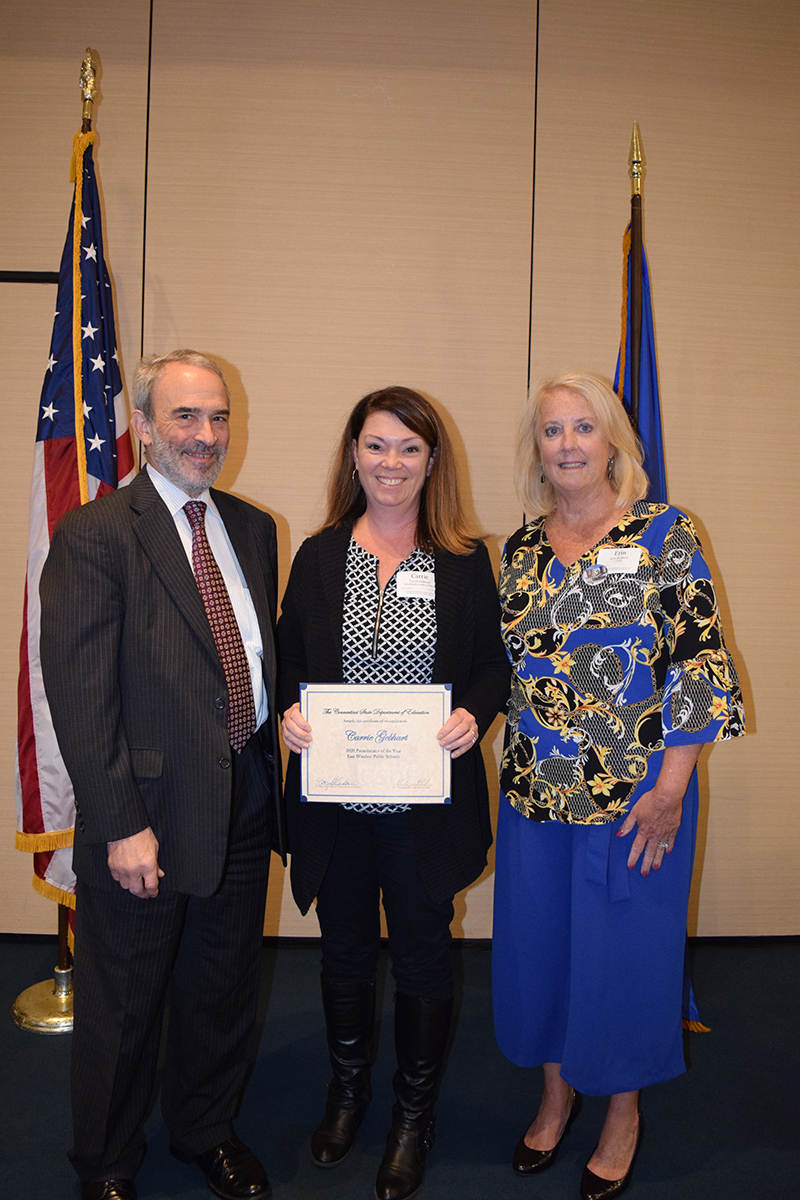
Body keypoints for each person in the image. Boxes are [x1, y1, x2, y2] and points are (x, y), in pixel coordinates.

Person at [492, 372, 745, 1200]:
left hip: (638, 799)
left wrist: (672, 790)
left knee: (626, 956)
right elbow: (503, 668)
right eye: (552, 430)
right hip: (536, 796)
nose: (567, 444)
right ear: (537, 448)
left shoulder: (665, 533)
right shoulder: (521, 549)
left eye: (583, 427)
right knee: (543, 950)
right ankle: (556, 1094)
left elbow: (700, 665)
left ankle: (623, 1112)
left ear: (612, 442)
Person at [39, 350, 283, 1200]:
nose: (206, 434)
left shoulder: (253, 528)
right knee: (125, 1004)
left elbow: (250, 660)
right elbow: (80, 695)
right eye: (185, 416)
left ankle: (204, 1131)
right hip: (145, 814)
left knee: (222, 987)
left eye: (218, 416)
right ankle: (106, 1160)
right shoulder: (97, 534)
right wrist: (120, 824)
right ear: (144, 426)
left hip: (244, 797)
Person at [278, 386, 509, 1200]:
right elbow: (287, 659)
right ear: (353, 455)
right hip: (336, 805)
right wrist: (290, 714)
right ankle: (348, 1096)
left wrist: (475, 712)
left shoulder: (464, 559)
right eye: (376, 445)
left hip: (423, 807)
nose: (391, 462)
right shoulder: (319, 556)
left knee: (420, 955)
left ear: (432, 460)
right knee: (342, 950)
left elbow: (492, 666)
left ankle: (414, 1117)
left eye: (409, 448)